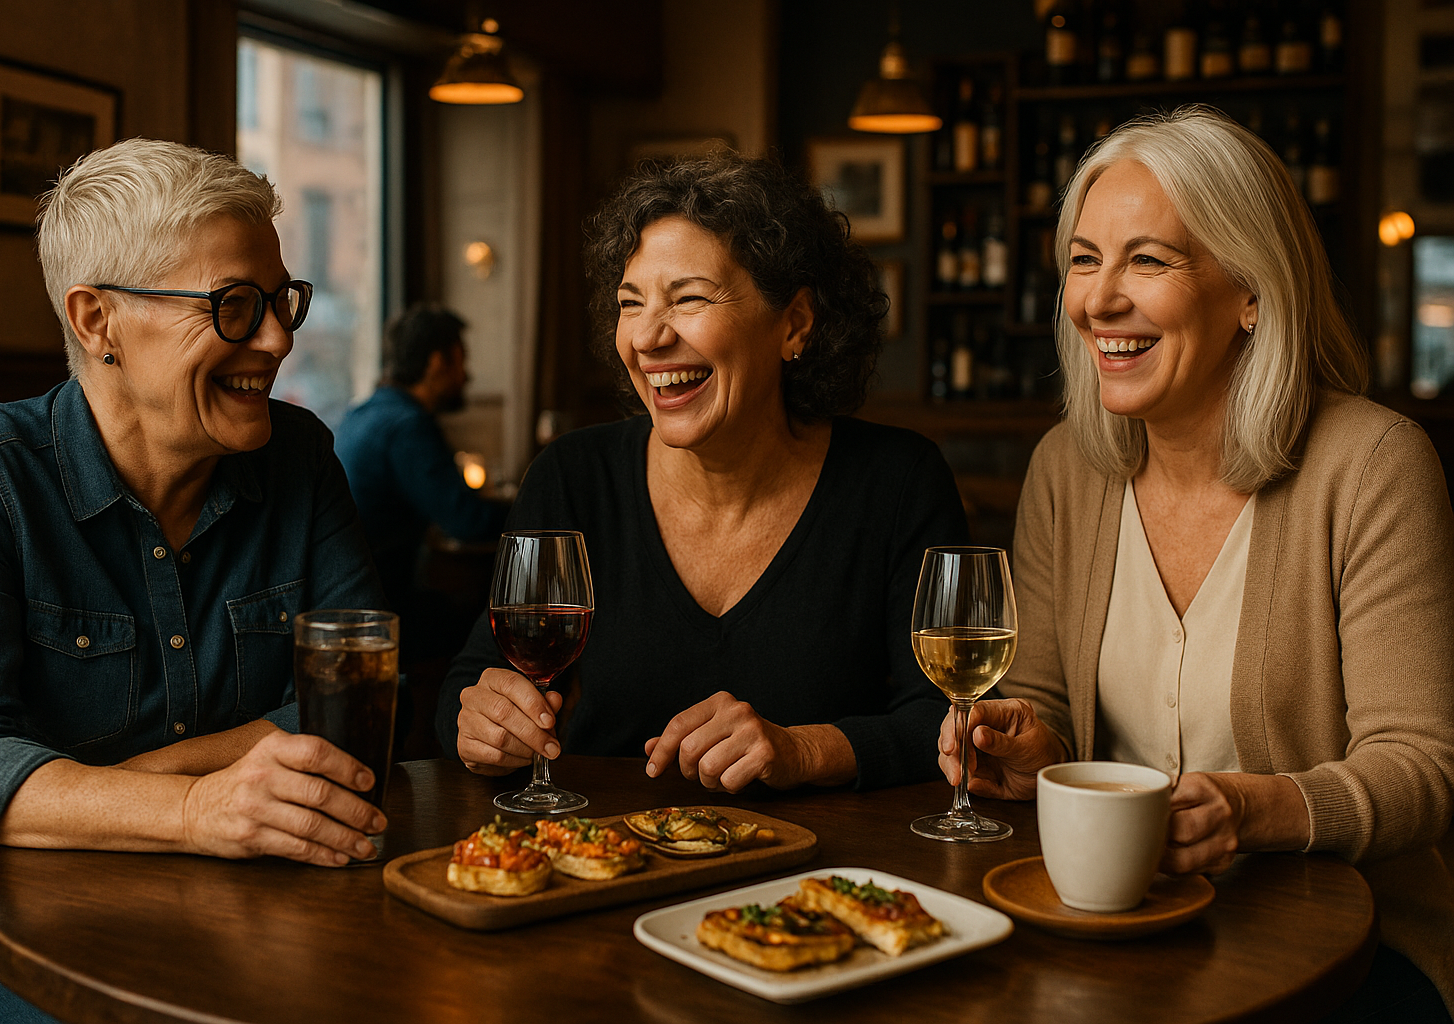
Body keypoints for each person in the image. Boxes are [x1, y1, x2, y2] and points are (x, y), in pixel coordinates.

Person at [937, 107, 1454, 1020]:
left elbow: (1421, 768)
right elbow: (1051, 701)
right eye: (1084, 260)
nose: (1098, 299)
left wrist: (1257, 811)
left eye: (1148, 259)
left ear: (1251, 291)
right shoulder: (1069, 465)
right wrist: (1029, 745)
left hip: (1345, 944)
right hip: (1115, 929)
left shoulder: (1373, 464)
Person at [0, 139, 388, 1023]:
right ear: (98, 322)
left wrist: (156, 782)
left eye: (281, 301)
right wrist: (194, 810)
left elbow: (357, 710)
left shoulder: (302, 459)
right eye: (234, 307)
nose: (280, 339)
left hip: (230, 906)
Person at [438, 154, 970, 793]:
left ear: (794, 323)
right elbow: (471, 683)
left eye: (688, 299)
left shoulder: (898, 482)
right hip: (597, 859)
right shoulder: (573, 477)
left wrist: (801, 750)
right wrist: (479, 720)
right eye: (630, 303)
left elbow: (949, 716)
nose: (647, 338)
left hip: (823, 878)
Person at [334, 305, 507, 658]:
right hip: (381, 612)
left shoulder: (362, 413)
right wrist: (534, 505)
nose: (467, 376)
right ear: (435, 363)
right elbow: (466, 521)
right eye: (461, 361)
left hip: (345, 604)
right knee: (491, 627)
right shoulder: (407, 426)